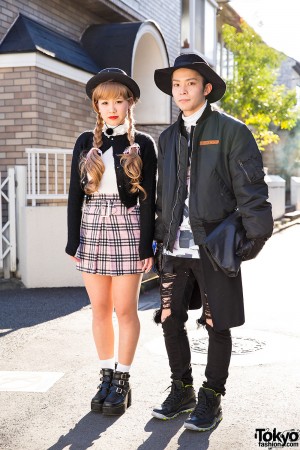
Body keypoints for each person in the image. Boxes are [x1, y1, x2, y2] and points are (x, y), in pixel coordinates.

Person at [151, 53, 273, 431]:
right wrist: (156, 242)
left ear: (206, 89)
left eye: (190, 83)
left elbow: (250, 188)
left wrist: (257, 234)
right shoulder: (167, 137)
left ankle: (211, 396)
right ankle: (182, 387)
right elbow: (162, 196)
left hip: (213, 246)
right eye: (176, 84)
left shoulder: (231, 130)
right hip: (173, 248)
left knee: (217, 323)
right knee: (170, 321)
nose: (182, 90)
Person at [65, 68, 157, 416]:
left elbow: (148, 198)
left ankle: (123, 379)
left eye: (119, 100)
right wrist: (73, 240)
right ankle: (106, 375)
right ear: (96, 106)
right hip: (92, 228)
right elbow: (75, 195)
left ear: (129, 102)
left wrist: (147, 244)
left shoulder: (142, 144)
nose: (112, 107)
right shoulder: (84, 142)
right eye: (105, 101)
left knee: (125, 310)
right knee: (100, 309)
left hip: (128, 228)